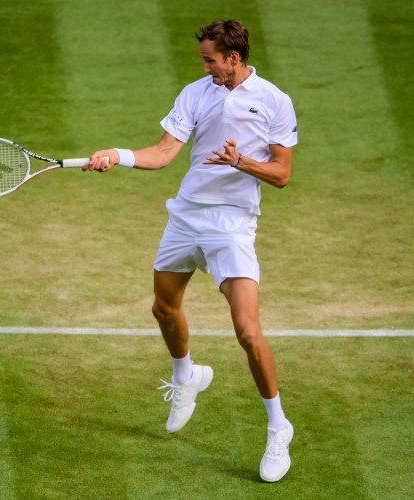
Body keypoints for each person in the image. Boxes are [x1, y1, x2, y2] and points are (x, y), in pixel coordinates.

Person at [84, 19, 297, 483]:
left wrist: (239, 160)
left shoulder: (274, 101)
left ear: (234, 58)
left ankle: (278, 427)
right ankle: (187, 375)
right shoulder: (196, 92)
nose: (205, 66)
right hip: (186, 216)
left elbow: (282, 174)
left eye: (210, 59)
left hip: (232, 225)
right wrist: (116, 155)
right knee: (163, 307)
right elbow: (163, 153)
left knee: (246, 331)